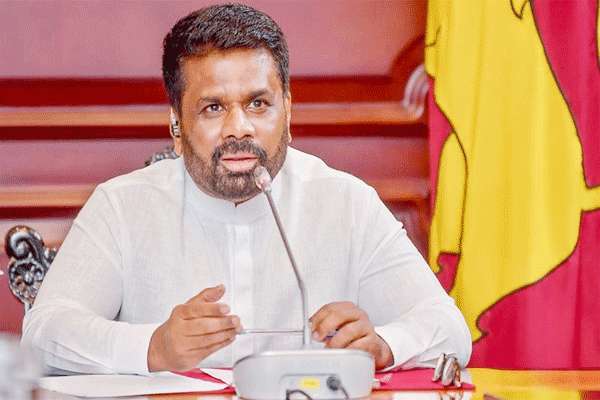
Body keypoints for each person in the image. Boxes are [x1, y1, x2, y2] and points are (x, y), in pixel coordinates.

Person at [21, 4, 471, 375]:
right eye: (213, 108)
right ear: (176, 124)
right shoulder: (122, 206)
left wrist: (384, 345)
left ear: (287, 113)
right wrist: (154, 347)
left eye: (258, 104)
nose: (239, 128)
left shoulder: (345, 202)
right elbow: (44, 335)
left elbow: (448, 328)